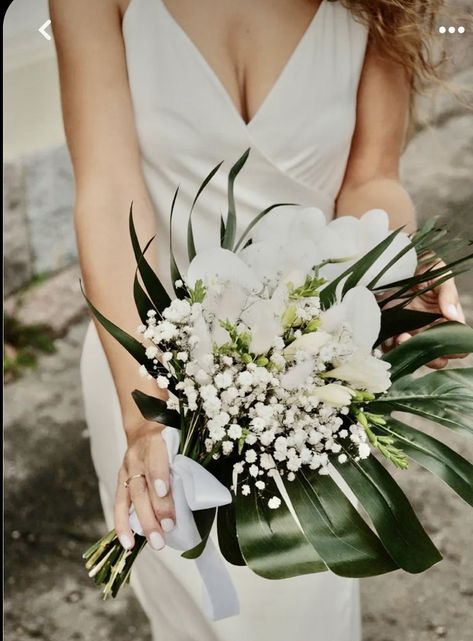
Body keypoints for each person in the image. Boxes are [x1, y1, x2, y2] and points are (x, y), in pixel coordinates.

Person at [51, 0, 465, 639]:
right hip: (144, 363)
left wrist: (395, 272)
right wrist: (142, 419)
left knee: (305, 619)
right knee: (191, 617)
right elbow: (107, 192)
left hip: (310, 389)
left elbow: (371, 177)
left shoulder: (387, 4)